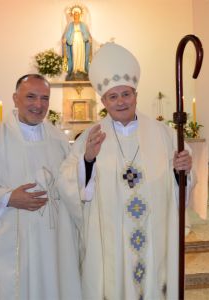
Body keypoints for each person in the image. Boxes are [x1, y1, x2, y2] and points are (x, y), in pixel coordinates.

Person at [58, 43, 195, 299]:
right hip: (112, 242)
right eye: (113, 96)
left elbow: (181, 186)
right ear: (103, 101)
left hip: (154, 238)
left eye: (126, 94)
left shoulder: (164, 135)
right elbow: (67, 182)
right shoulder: (91, 136)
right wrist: (87, 159)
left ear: (136, 95)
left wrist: (182, 171)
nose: (121, 101)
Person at [0, 74, 81, 300]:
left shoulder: (58, 140)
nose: (38, 105)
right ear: (15, 98)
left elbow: (73, 184)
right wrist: (7, 198)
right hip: (8, 241)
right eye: (30, 96)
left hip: (52, 241)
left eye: (44, 98)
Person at [62, 5, 91, 81]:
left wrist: (88, 38)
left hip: (81, 40)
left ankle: (81, 68)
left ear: (80, 16)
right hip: (74, 40)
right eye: (75, 15)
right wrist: (65, 38)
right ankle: (75, 69)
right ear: (73, 16)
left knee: (81, 54)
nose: (76, 16)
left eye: (77, 15)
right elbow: (68, 33)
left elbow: (86, 33)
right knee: (75, 53)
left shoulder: (83, 24)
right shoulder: (71, 24)